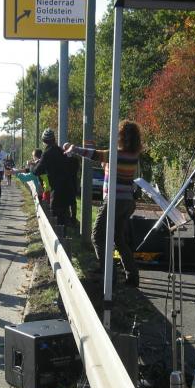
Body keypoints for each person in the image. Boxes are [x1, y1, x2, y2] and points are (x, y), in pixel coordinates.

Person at [66, 120, 142, 286]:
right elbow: (113, 167)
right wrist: (105, 163)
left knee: (97, 236)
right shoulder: (133, 156)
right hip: (127, 202)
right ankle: (132, 276)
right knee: (119, 239)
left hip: (114, 200)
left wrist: (74, 148)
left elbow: (93, 154)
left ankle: (109, 275)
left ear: (121, 136)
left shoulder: (115, 154)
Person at [34, 129, 75, 228]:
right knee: (64, 217)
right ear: (54, 139)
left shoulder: (47, 153)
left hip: (56, 191)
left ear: (44, 141)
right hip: (68, 189)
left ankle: (61, 235)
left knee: (55, 218)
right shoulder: (61, 151)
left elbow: (37, 171)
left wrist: (35, 164)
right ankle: (66, 232)